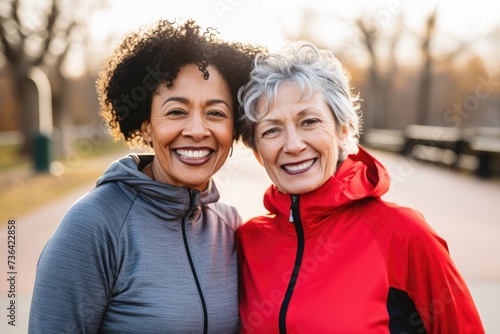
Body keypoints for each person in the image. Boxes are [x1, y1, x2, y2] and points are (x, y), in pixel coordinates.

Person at [29, 19, 264, 333]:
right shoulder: (93, 226)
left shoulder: (229, 226)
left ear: (233, 129)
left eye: (216, 113)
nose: (197, 130)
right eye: (176, 111)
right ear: (145, 126)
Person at [235, 41, 485, 333]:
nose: (293, 145)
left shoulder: (403, 235)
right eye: (272, 130)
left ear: (343, 131)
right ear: (256, 152)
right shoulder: (246, 242)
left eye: (310, 121)